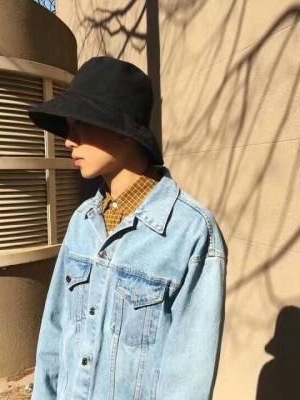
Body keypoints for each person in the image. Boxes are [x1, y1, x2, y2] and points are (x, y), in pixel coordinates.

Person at [27, 56, 228, 400]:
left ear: (123, 132)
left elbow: (187, 379)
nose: (68, 140)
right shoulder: (82, 222)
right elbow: (54, 337)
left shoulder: (190, 233)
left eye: (81, 124)